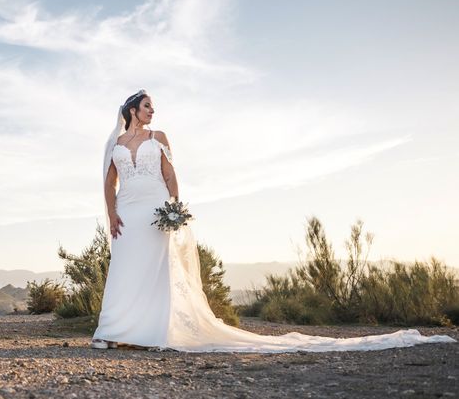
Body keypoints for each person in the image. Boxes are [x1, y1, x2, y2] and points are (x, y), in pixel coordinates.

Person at [91, 89, 456, 352]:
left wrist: (174, 206)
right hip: (128, 208)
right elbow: (110, 182)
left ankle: (153, 333)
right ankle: (113, 331)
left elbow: (170, 175)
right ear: (133, 111)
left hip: (156, 206)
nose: (153, 111)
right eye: (147, 106)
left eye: (153, 106)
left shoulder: (159, 137)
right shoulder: (118, 142)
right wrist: (112, 215)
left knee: (157, 271)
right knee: (126, 266)